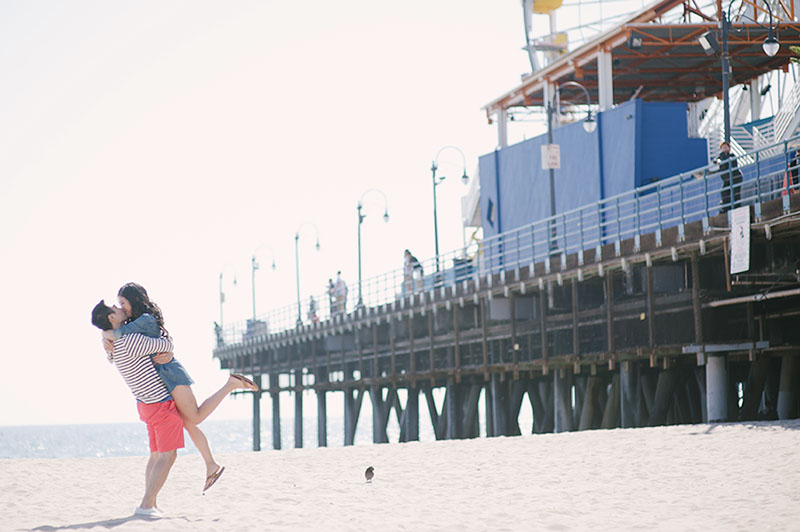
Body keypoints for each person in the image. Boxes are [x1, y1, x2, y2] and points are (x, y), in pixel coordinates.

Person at [103, 283, 258, 493]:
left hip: (170, 374)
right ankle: (211, 465)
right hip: (161, 380)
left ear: (134, 300)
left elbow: (129, 335)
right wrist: (107, 339)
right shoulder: (137, 322)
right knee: (186, 421)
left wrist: (107, 335)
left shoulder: (144, 320)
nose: (122, 307)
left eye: (123, 303)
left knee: (194, 417)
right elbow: (124, 343)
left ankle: (230, 385)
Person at [91, 300, 180, 517]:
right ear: (112, 318)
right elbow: (167, 346)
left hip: (145, 404)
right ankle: (147, 505)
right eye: (115, 308)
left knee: (156, 455)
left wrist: (105, 337)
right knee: (168, 456)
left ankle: (152, 503)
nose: (119, 307)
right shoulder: (131, 340)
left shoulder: (114, 347)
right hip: (159, 402)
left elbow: (111, 356)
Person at [717, 141, 742, 213]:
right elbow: (716, 161)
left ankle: (736, 207)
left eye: (726, 147)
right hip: (727, 180)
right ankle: (726, 208)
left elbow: (729, 160)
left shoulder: (732, 156)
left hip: (735, 178)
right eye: (722, 147)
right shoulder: (720, 157)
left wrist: (721, 159)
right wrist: (718, 160)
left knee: (735, 193)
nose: (724, 148)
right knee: (724, 192)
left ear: (729, 148)